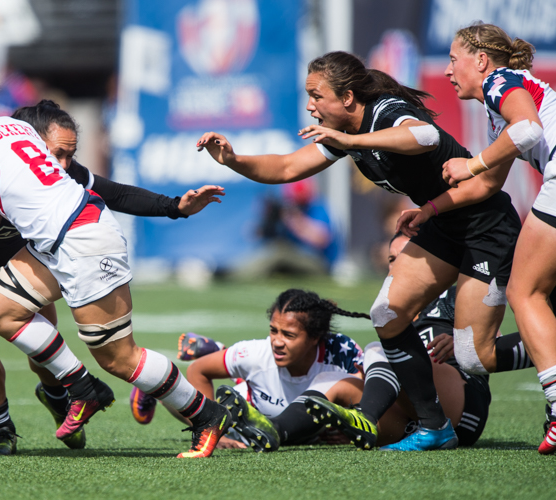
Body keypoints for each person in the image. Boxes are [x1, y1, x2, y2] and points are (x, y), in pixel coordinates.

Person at [0, 60, 232, 458]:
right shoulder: (17, 126)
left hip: (82, 241)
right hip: (63, 236)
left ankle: (205, 415)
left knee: (120, 358)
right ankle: (82, 387)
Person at [198, 51, 523, 451]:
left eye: (316, 95)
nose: (309, 105)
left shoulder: (383, 113)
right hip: (442, 222)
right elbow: (284, 168)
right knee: (387, 314)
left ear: (348, 97)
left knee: (475, 356)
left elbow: (427, 136)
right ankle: (433, 426)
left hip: (485, 227)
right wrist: (233, 160)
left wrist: (350, 140)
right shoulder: (347, 135)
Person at [441, 22, 556, 453]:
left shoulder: (502, 80)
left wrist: (472, 162)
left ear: (480, 60)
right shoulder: (502, 106)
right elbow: (486, 184)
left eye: (453, 58)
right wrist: (427, 210)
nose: (448, 71)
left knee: (525, 291)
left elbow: (529, 131)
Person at [146, 289, 490, 451]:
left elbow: (371, 389)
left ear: (316, 339)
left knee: (349, 374)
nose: (277, 341)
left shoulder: (342, 356)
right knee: (174, 394)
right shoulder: (258, 352)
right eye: (274, 331)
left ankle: (270, 427)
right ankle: (162, 379)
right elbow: (198, 375)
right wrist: (213, 432)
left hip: (288, 412)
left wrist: (343, 419)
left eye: (289, 335)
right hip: (250, 404)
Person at [231, 178, 337, 278]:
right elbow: (255, 235)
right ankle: (231, 269)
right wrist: (268, 220)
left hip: (319, 264)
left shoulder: (317, 208)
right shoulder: (285, 209)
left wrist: (296, 222)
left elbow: (322, 240)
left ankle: (232, 274)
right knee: (273, 251)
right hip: (292, 261)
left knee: (281, 251)